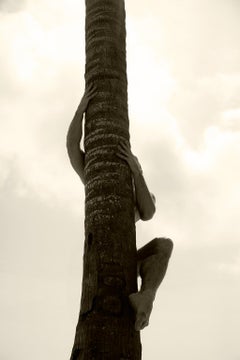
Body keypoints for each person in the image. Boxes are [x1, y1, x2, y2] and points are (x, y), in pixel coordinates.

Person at [67, 84, 173, 331]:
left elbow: (149, 212)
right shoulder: (95, 178)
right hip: (101, 256)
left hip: (126, 256)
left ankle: (146, 297)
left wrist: (137, 172)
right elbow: (73, 148)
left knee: (165, 244)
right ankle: (146, 300)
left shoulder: (136, 193)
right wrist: (81, 109)